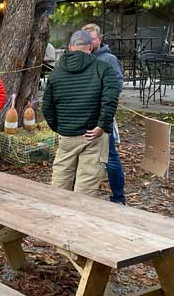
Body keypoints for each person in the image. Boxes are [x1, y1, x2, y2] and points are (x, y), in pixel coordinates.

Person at [42, 30, 121, 197]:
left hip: (67, 135)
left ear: (70, 47)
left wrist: (60, 128)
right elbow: (110, 100)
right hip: (93, 135)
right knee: (86, 187)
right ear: (91, 46)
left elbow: (47, 106)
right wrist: (102, 126)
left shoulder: (56, 72)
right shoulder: (104, 69)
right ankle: (77, 220)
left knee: (60, 181)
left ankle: (55, 216)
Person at [82, 23, 126, 204]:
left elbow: (117, 86)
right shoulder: (82, 58)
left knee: (110, 157)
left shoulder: (108, 59)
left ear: (99, 39)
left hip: (102, 116)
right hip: (84, 116)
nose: (90, 42)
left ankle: (118, 197)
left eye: (93, 38)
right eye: (87, 39)